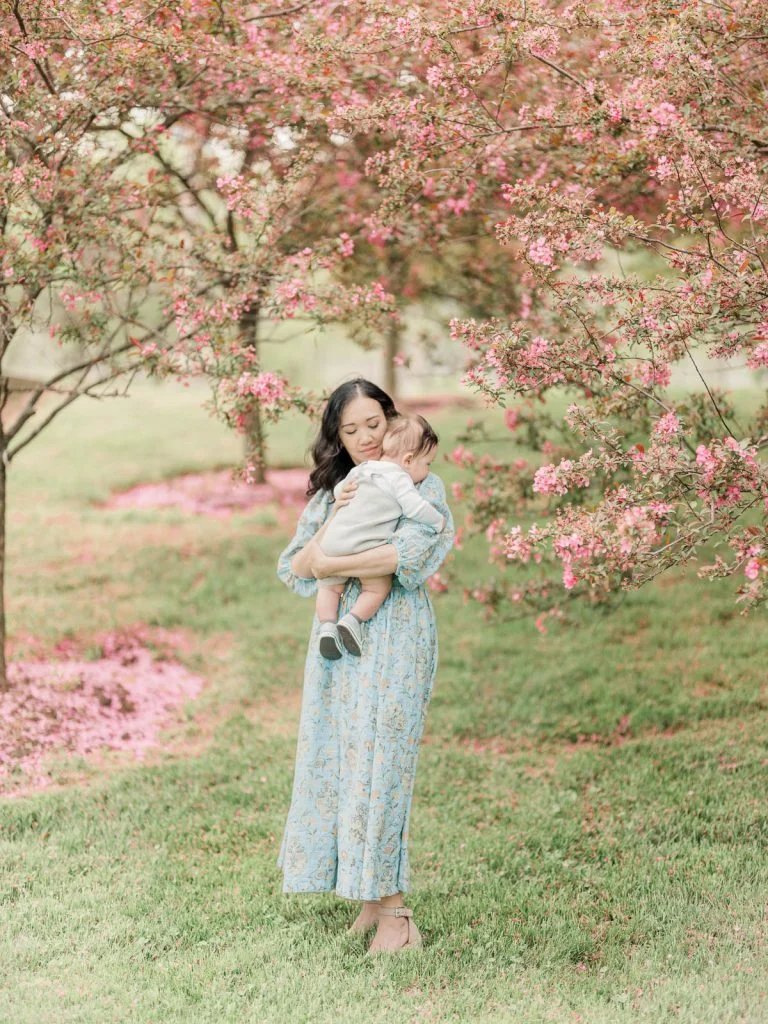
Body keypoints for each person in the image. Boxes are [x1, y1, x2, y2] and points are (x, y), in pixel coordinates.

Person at [275, 377, 454, 953]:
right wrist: (335, 522)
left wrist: (335, 559)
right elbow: (296, 566)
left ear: (391, 418)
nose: (364, 439)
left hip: (395, 637)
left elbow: (413, 555)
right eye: (349, 431)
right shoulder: (335, 492)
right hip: (335, 646)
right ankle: (371, 903)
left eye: (372, 424)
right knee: (346, 760)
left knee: (383, 764)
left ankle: (399, 917)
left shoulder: (425, 485)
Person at [314, 414, 447, 660]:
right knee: (377, 587)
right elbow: (414, 509)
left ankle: (326, 627)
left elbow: (339, 490)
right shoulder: (399, 478)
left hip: (334, 542)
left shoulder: (362, 468)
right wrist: (438, 521)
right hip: (364, 547)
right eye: (427, 463)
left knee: (330, 589)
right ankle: (352, 621)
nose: (428, 471)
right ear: (408, 460)